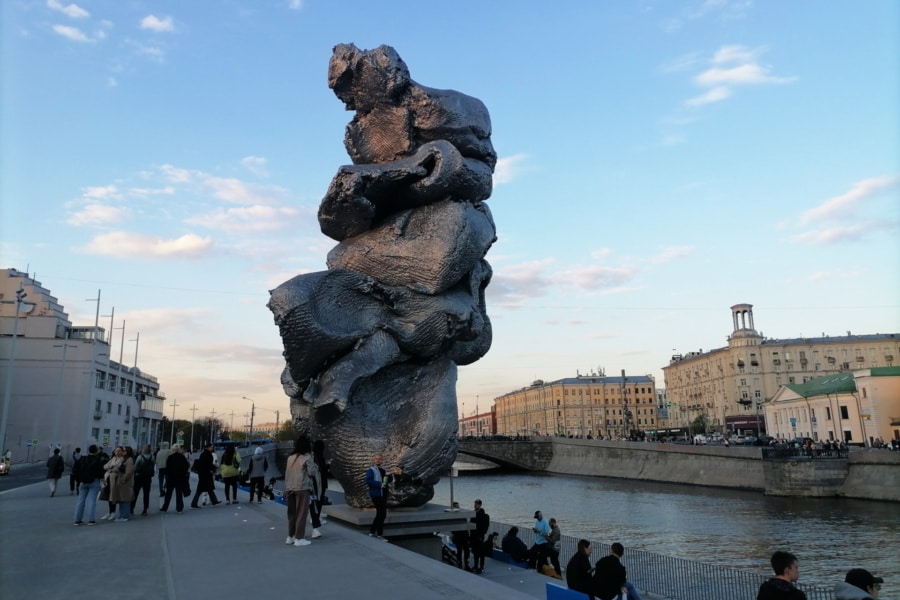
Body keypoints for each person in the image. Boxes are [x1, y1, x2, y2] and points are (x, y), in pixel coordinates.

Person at [284, 436, 319, 547]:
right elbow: (312, 473)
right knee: (301, 514)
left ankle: (290, 536)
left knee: (292, 514)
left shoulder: (290, 457)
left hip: (290, 488)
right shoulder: (307, 457)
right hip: (302, 488)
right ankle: (299, 538)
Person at [73, 445, 105, 525]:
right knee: (92, 501)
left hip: (83, 482)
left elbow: (77, 469)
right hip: (94, 481)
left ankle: (77, 520)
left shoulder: (83, 458)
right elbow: (101, 472)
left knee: (80, 501)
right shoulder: (98, 460)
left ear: (88, 451)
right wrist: (103, 480)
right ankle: (91, 520)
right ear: (97, 451)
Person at [190, 443, 221, 509]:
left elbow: (202, 464)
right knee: (205, 489)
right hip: (207, 474)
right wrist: (213, 469)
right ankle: (194, 503)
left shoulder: (203, 454)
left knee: (206, 489)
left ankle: (214, 501)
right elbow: (209, 464)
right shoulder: (209, 455)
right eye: (212, 447)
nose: (212, 448)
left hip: (202, 474)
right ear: (209, 447)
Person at [365, 453, 388, 540]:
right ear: (373, 460)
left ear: (381, 460)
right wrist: (379, 485)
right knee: (382, 514)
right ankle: (379, 535)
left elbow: (387, 481)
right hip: (376, 494)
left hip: (383, 495)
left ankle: (371, 532)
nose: (378, 460)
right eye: (376, 459)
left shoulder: (384, 470)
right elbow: (369, 481)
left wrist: (391, 474)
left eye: (379, 459)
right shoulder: (371, 470)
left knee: (380, 514)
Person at [160, 445, 190, 513]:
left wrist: (168, 475)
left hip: (171, 478)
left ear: (172, 450)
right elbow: (186, 466)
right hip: (180, 478)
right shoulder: (182, 457)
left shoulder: (170, 457)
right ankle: (179, 508)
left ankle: (165, 507)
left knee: (168, 493)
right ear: (179, 450)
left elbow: (167, 468)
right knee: (179, 493)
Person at [110, 446, 135, 521]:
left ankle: (124, 516)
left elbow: (128, 472)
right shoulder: (125, 459)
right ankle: (122, 515)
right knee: (122, 499)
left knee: (125, 500)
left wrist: (123, 479)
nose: (122, 452)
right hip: (122, 483)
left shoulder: (129, 460)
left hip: (126, 483)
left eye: (124, 450)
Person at [101, 446, 124, 520]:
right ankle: (109, 512)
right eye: (116, 450)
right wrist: (111, 466)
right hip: (108, 477)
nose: (117, 452)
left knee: (113, 495)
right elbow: (105, 466)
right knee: (108, 495)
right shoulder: (113, 458)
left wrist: (111, 467)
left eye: (119, 450)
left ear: (122, 452)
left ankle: (113, 512)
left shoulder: (122, 459)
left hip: (115, 479)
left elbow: (117, 467)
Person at [131, 444, 155, 516]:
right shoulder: (152, 457)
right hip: (148, 477)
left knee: (135, 492)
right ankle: (145, 509)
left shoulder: (140, 457)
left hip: (139, 477)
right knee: (146, 493)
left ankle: (132, 508)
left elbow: (135, 466)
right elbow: (153, 464)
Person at [470, 499, 490, 574]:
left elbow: (485, 527)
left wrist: (481, 535)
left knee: (481, 553)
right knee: (475, 552)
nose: (475, 505)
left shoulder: (485, 516)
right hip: (473, 536)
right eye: (475, 503)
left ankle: (481, 567)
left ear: (480, 505)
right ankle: (475, 566)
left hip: (480, 536)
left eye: (477, 504)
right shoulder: (473, 514)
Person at [312, 439, 330, 505]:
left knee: (316, 498)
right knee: (320, 497)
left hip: (314, 482)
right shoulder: (320, 457)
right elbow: (322, 469)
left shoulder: (313, 457)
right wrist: (328, 466)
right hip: (321, 481)